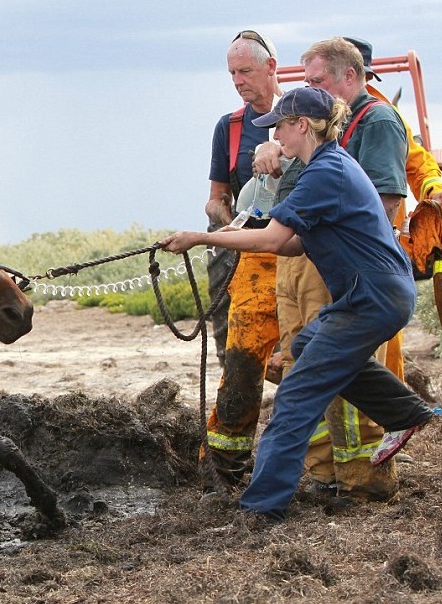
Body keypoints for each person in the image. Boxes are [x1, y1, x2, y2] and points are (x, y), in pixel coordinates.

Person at [160, 86, 435, 520]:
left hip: (373, 296)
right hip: (370, 293)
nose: (275, 138)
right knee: (308, 347)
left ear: (302, 125)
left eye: (281, 128)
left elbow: (272, 238)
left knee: (295, 396)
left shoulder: (326, 172)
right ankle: (406, 411)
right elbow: (289, 246)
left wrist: (201, 237)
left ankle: (261, 507)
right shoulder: (323, 169)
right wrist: (224, 235)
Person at [258, 37, 442, 501]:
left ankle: (322, 489)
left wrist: (348, 265)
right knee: (305, 348)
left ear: (351, 76)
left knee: (303, 388)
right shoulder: (324, 145)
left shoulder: (377, 121)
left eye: (317, 81)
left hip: (361, 280)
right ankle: (398, 417)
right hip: (340, 272)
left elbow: (383, 204)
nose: (313, 88)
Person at [199, 30, 283, 498]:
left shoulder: (305, 114)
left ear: (272, 68)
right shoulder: (228, 128)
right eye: (231, 73)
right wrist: (225, 222)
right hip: (245, 253)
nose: (237, 81)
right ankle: (228, 465)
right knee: (240, 355)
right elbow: (215, 198)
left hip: (298, 253)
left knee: (305, 353)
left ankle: (319, 455)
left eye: (245, 71)